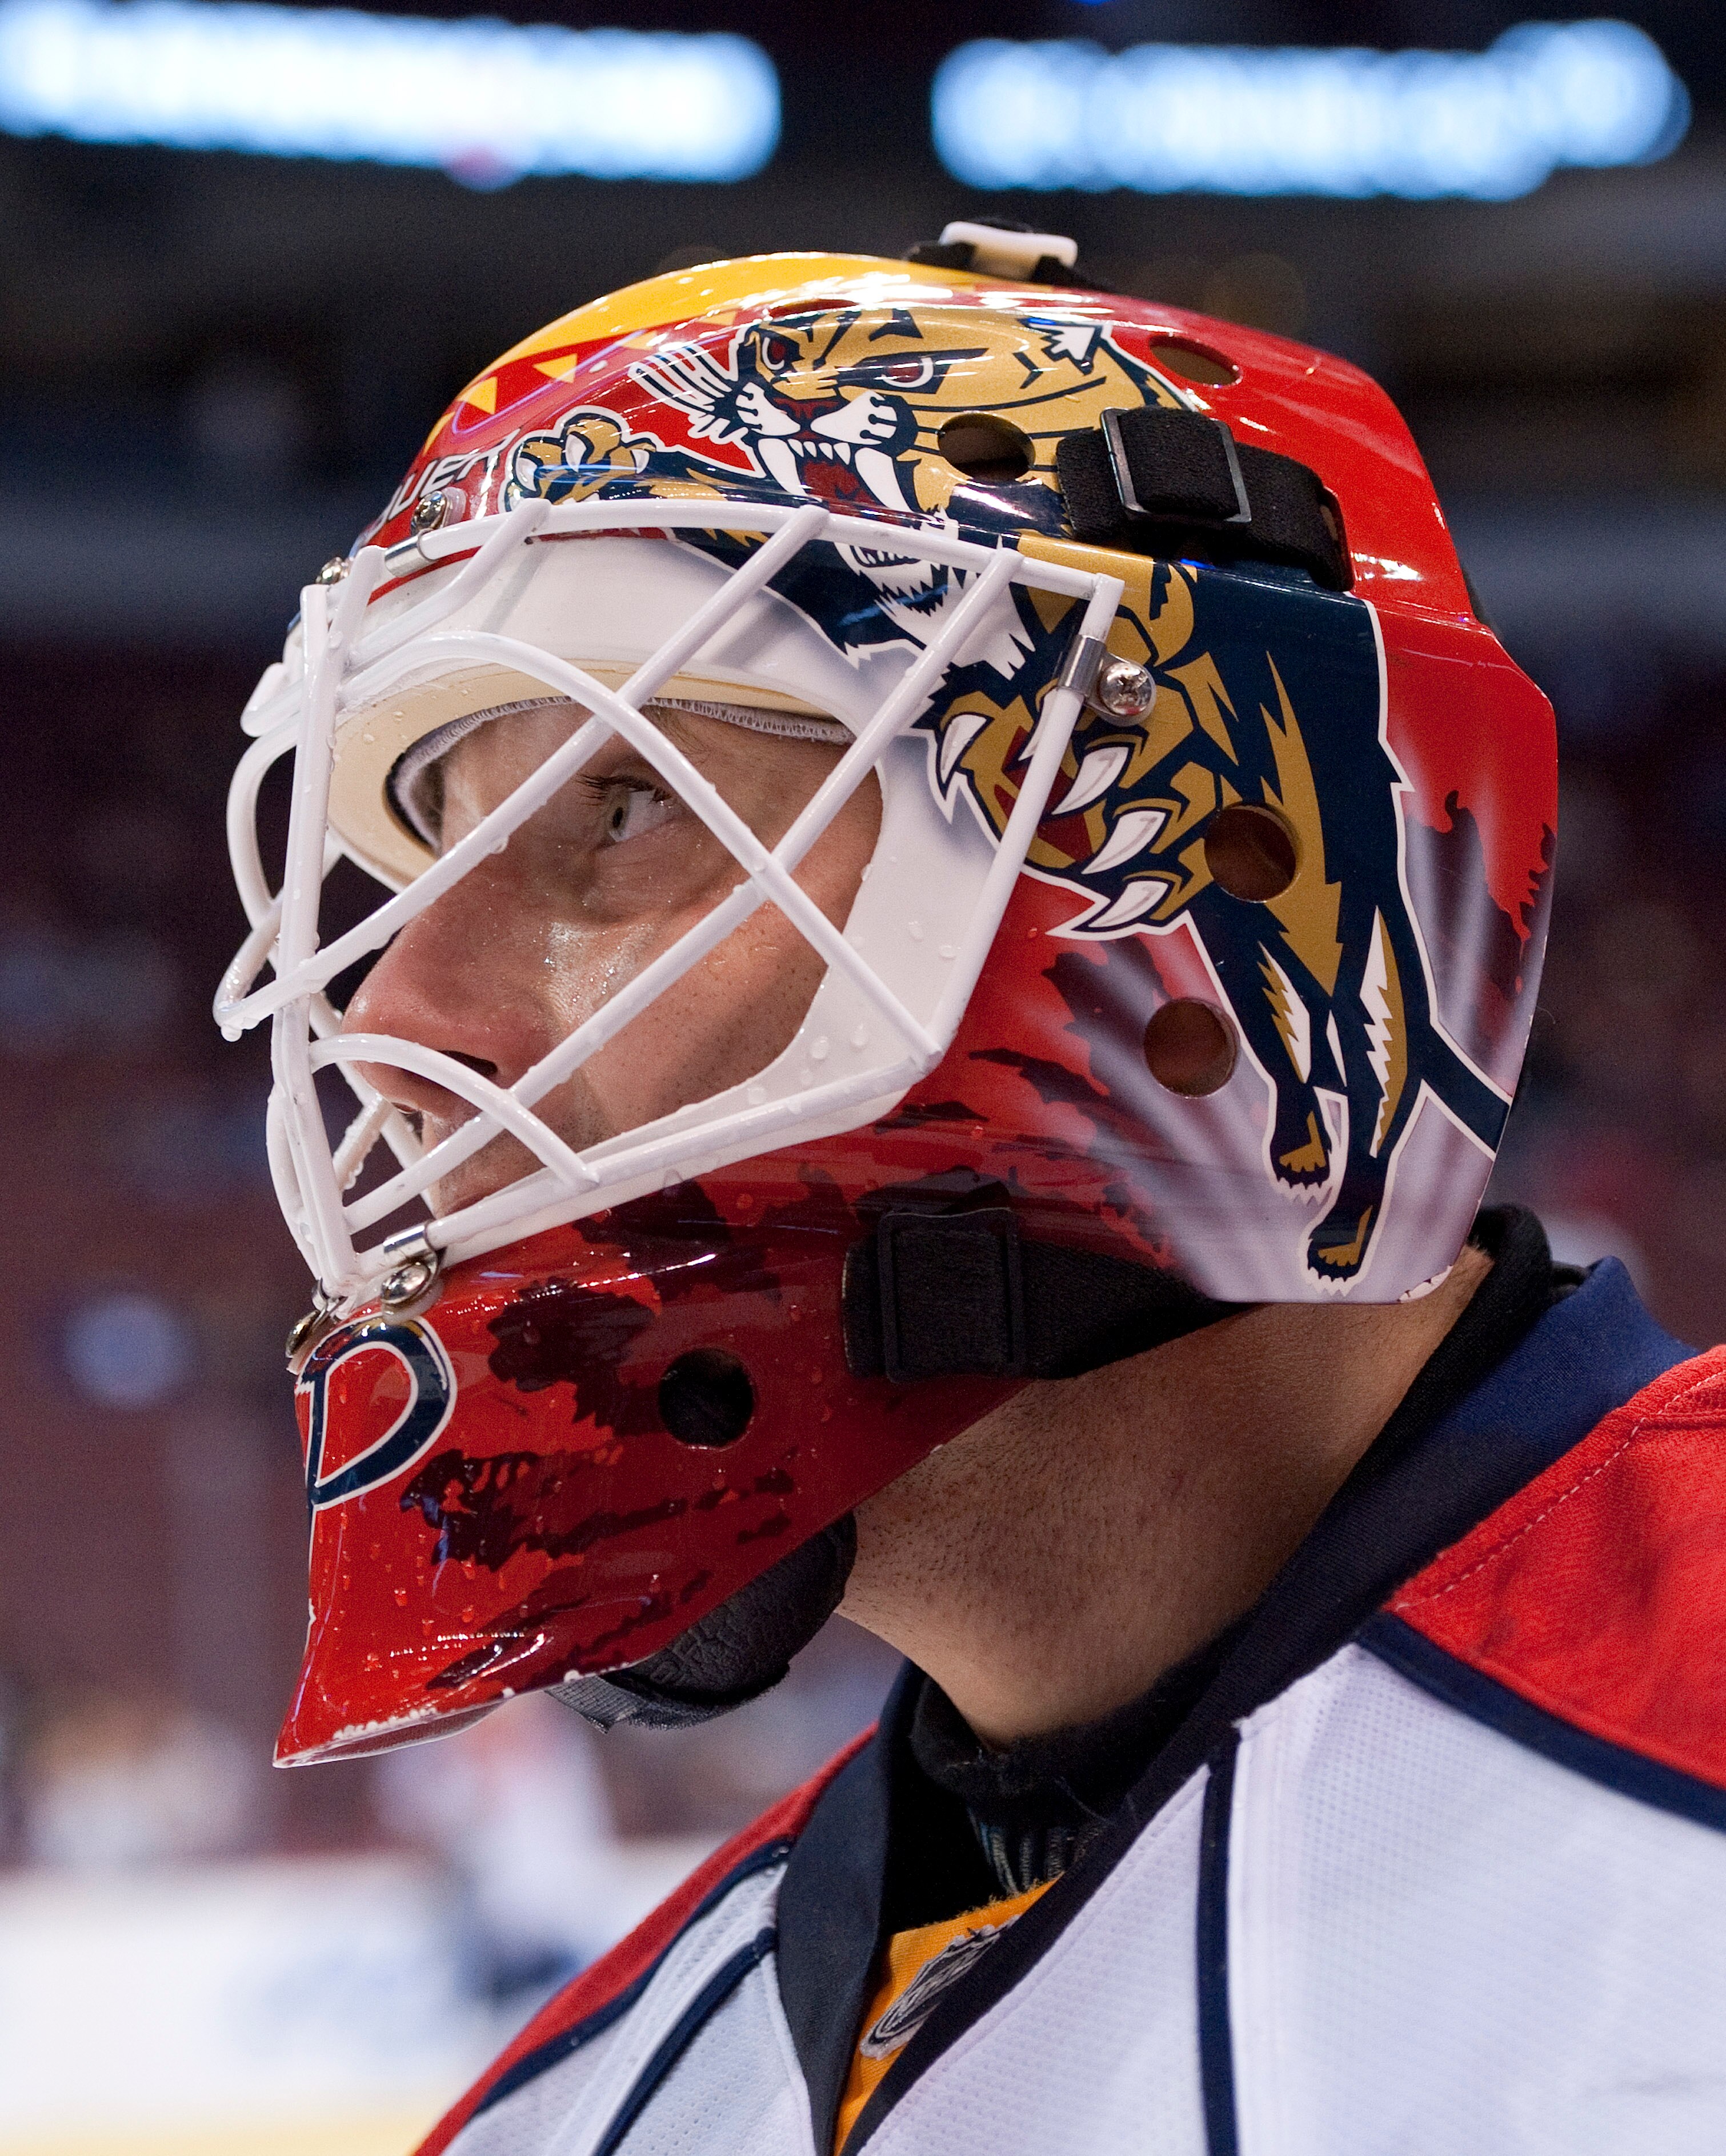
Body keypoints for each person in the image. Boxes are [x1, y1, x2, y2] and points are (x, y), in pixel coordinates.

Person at [217, 225, 1726, 2155]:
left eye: (613, 810)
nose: (395, 1009)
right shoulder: (583, 2115)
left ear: (1191, 900)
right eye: (426, 860)